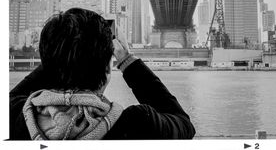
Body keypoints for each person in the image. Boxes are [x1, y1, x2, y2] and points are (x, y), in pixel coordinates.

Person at [10, 8, 196, 140]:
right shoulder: (137, 124)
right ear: (107, 70)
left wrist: (62, 49)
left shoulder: (18, 116)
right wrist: (126, 59)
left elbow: (15, 96)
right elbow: (183, 124)